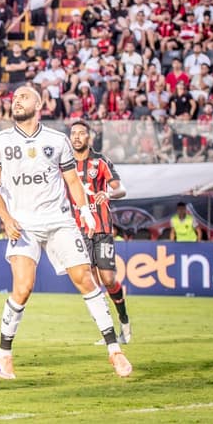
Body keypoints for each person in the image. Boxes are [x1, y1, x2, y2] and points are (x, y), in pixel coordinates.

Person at [0, 86, 132, 379]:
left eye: (24, 97)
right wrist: (5, 218)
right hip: (22, 224)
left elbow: (73, 182)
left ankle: (115, 350)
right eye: (14, 98)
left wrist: (86, 210)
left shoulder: (57, 140)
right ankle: (4, 355)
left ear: (40, 104)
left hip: (59, 221)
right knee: (23, 288)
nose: (17, 101)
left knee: (86, 280)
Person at [69, 121, 131, 345]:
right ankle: (109, 333)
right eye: (73, 133)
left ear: (89, 137)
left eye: (81, 133)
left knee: (108, 279)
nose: (76, 137)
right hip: (78, 231)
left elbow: (121, 189)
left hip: (102, 228)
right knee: (91, 283)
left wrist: (109, 195)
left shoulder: (100, 161)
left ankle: (124, 319)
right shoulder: (64, 164)